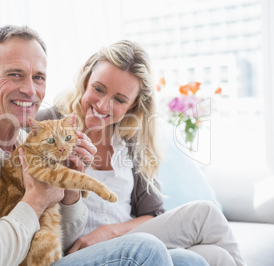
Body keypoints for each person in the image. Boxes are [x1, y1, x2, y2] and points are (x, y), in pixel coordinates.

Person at [0, 25, 180, 266]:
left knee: (188, 260)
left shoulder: (29, 142)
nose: (30, 90)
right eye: (15, 74)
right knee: (145, 250)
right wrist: (35, 200)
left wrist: (71, 193)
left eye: (38, 77)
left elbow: (64, 241)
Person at [36, 40, 247, 266]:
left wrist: (111, 232)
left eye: (120, 99)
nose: (103, 105)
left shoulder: (130, 139)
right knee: (205, 214)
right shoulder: (47, 125)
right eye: (99, 89)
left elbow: (152, 213)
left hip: (129, 243)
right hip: (82, 251)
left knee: (215, 258)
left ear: (133, 104)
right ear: (86, 79)